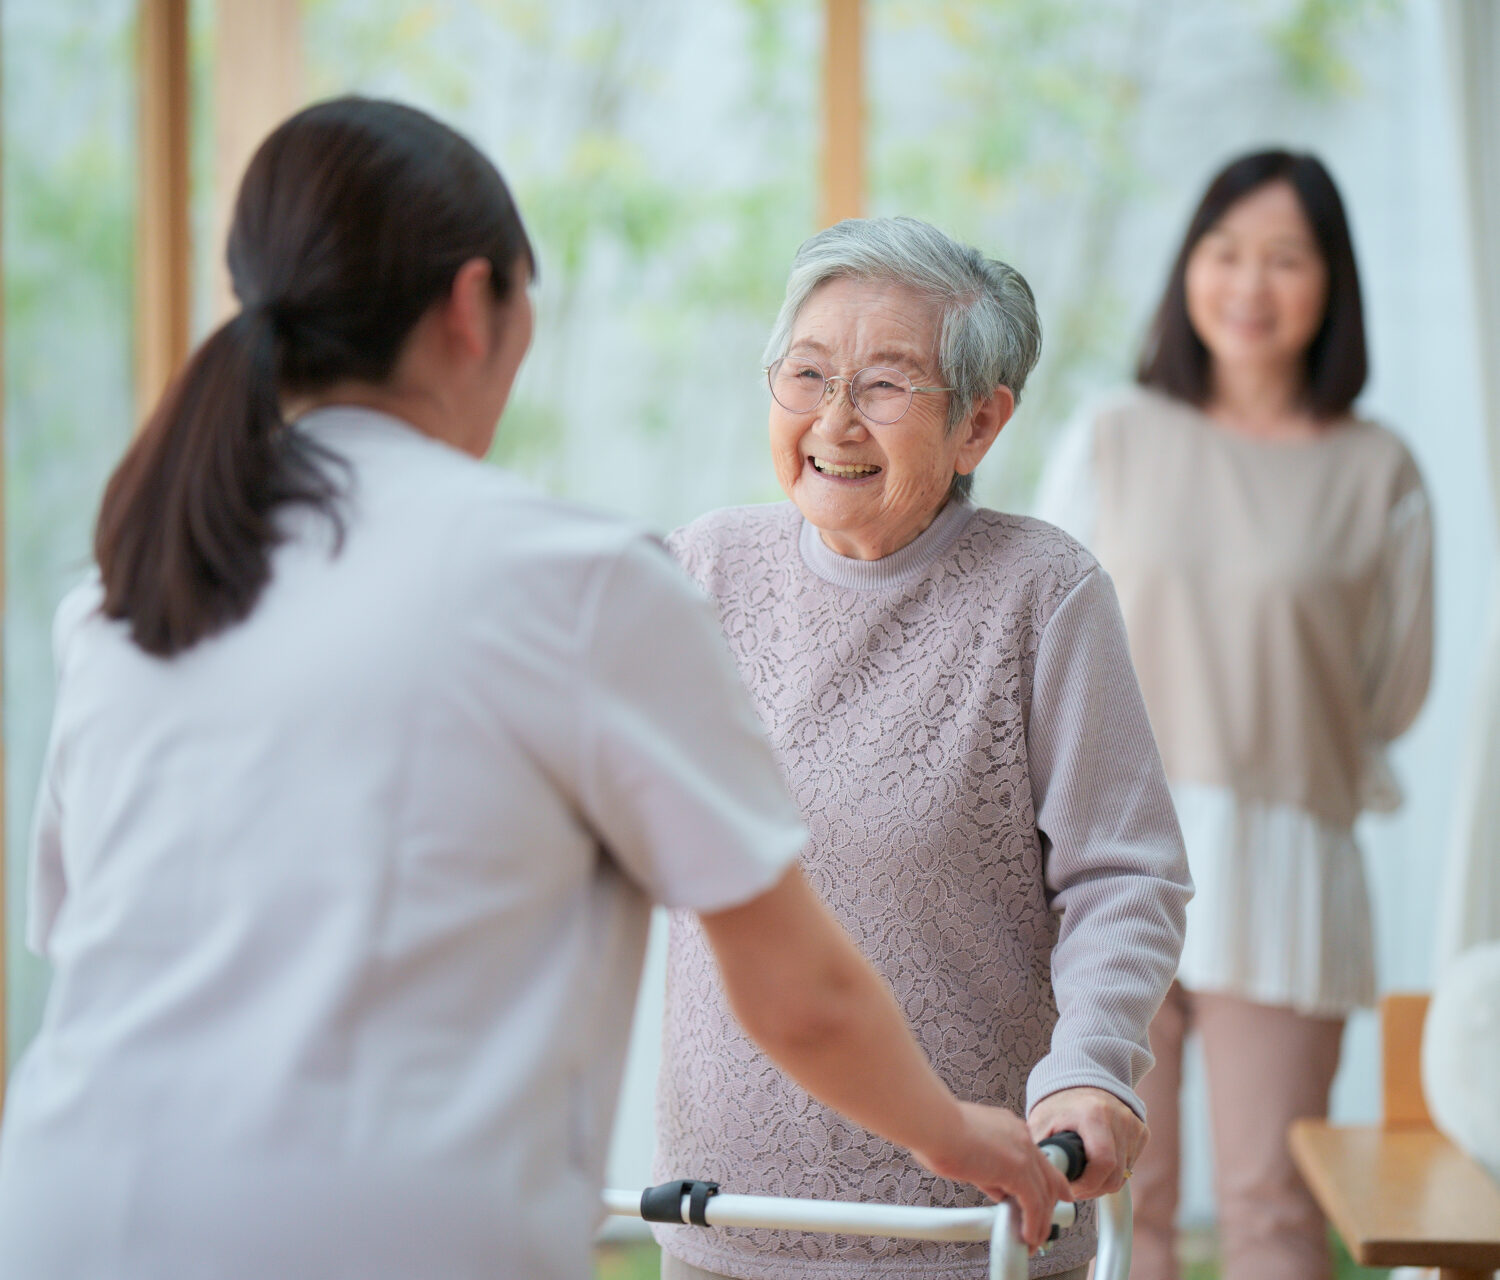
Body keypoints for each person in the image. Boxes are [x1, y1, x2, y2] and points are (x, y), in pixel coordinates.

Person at [0, 99, 1075, 1280]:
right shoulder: (583, 587)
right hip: (371, 1232)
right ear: (476, 306)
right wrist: (956, 1132)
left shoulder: (133, 582)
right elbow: (798, 990)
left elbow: (73, 932)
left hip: (63, 1210)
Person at [652, 216, 1194, 1280]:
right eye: (806, 373)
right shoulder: (703, 568)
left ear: (980, 424)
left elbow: (1124, 872)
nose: (834, 419)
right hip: (722, 1216)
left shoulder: (1042, 592)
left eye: (884, 384)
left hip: (967, 1223)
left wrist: (1089, 1068)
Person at [1035, 150, 1435, 1280]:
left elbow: (1394, 684)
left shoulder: (1379, 469)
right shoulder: (1113, 433)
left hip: (1287, 867)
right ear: (1187, 269)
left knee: (1269, 1209)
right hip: (1109, 862)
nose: (1249, 285)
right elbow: (1045, 646)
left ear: (1331, 285)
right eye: (1226, 253)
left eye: (1286, 259)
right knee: (1114, 1210)